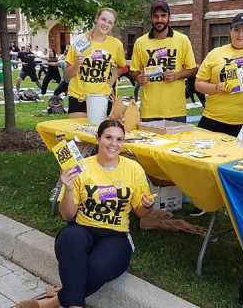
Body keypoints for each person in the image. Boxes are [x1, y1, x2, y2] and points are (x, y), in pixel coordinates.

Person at [16, 120, 154, 308]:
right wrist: (69, 189)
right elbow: (67, 215)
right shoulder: (80, 167)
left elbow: (142, 212)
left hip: (116, 235)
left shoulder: (133, 169)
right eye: (108, 137)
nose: (114, 144)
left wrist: (148, 205)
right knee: (70, 238)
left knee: (95, 268)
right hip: (82, 229)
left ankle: (53, 302)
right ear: (98, 139)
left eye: (119, 139)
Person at [130, 0, 197, 122]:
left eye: (163, 15)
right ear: (151, 18)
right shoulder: (141, 42)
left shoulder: (182, 40)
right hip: (149, 110)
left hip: (175, 109)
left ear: (169, 17)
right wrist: (138, 77)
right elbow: (134, 70)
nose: (159, 20)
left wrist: (177, 75)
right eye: (155, 16)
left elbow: (192, 69)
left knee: (176, 141)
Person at [64, 8, 126, 119]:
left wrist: (110, 83)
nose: (106, 24)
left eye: (110, 22)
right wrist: (76, 64)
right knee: (78, 133)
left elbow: (121, 66)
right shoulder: (80, 40)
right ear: (96, 19)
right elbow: (68, 73)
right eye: (103, 19)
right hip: (79, 96)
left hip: (101, 97)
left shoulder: (116, 44)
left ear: (113, 25)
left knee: (98, 133)